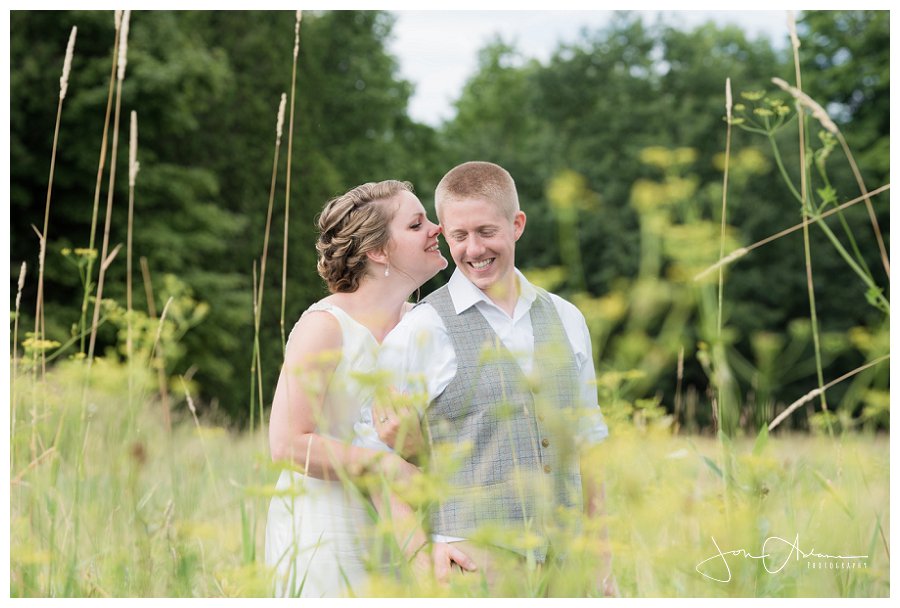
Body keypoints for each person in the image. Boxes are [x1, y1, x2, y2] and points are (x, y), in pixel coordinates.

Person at [365, 161, 616, 596]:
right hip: (474, 566)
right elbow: (371, 458)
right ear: (444, 234)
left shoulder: (567, 317)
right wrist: (419, 554)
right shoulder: (422, 331)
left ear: (516, 224)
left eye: (486, 231)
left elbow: (588, 443)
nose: (473, 249)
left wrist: (601, 553)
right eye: (459, 236)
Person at [264, 180, 474, 598]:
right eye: (417, 224)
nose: (437, 229)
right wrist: (385, 467)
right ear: (378, 251)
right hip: (326, 533)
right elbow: (287, 444)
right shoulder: (324, 327)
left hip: (409, 531)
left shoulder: (427, 324)